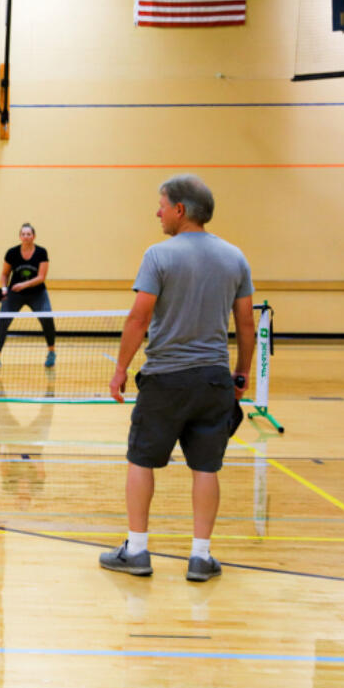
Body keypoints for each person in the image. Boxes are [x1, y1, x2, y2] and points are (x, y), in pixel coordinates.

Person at [99, 175, 255, 583]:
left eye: (162, 205)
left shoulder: (158, 255)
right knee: (206, 467)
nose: (158, 212)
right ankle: (200, 557)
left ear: (180, 210)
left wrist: (119, 370)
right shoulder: (235, 257)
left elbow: (139, 317)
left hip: (165, 379)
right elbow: (245, 325)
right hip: (213, 381)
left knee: (141, 460)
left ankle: (136, 550)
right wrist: (242, 372)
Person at [0, 223, 56, 369]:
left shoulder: (41, 253)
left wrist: (23, 285)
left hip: (37, 293)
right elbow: (4, 274)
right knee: (2, 321)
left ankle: (51, 353)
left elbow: (41, 277)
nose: (26, 236)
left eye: (29, 234)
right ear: (20, 236)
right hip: (14, 295)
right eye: (23, 234)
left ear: (33, 236)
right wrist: (4, 289)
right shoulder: (12, 253)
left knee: (47, 319)